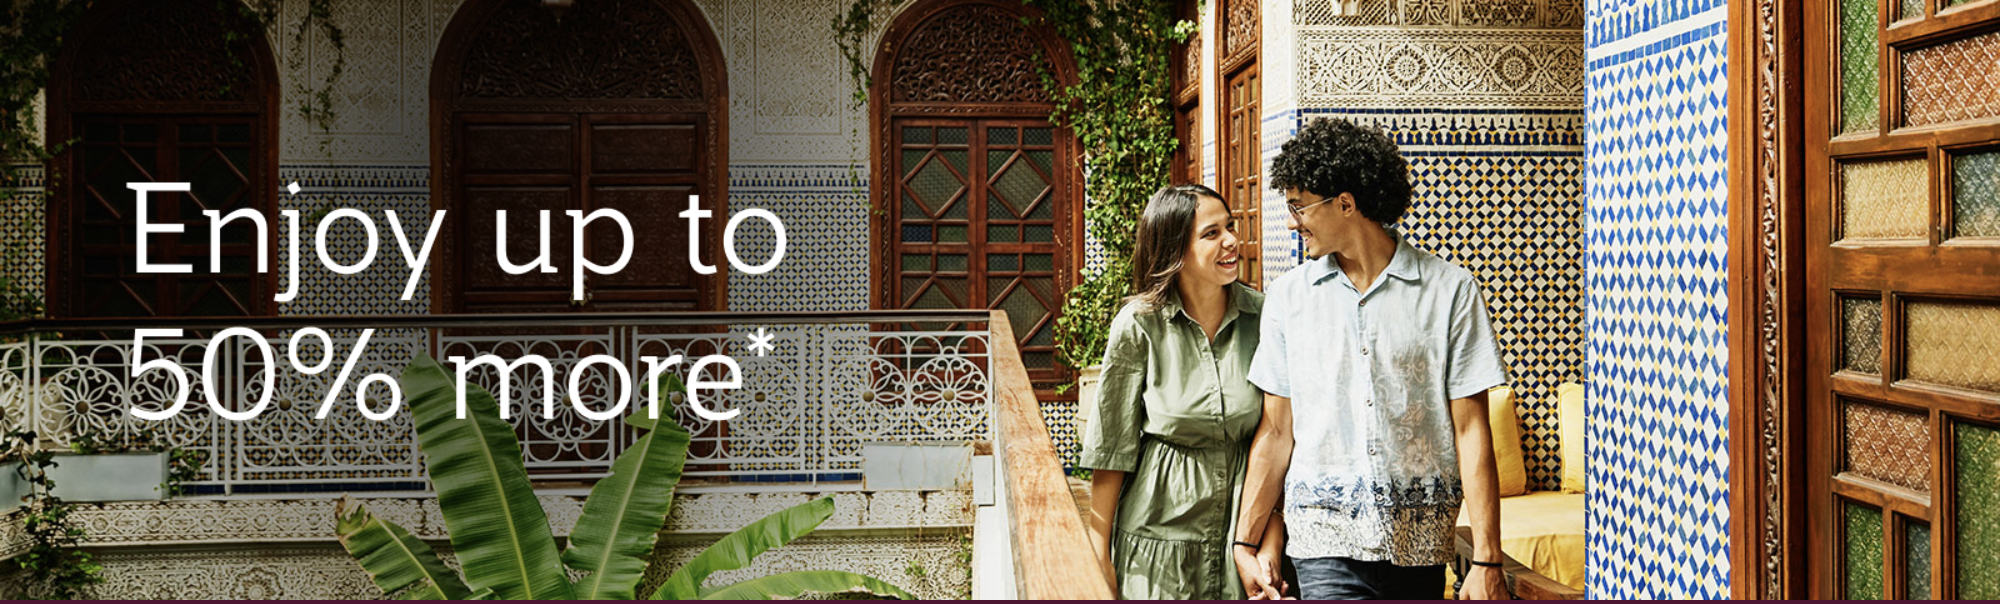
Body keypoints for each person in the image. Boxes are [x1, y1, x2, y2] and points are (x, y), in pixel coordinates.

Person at [1230, 118, 1509, 600]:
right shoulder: (1288, 298)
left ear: (1345, 203)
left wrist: (1487, 558)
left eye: (1299, 207)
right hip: (1322, 545)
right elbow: (1277, 431)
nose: (1292, 222)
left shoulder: (1449, 291)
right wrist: (1245, 541)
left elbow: (1471, 429)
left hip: (1420, 545)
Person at [1078, 184, 1284, 599]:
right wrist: (1098, 553)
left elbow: (1282, 437)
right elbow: (1112, 448)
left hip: (1241, 539)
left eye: (1230, 226)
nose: (1231, 241)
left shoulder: (1265, 318)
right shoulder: (1139, 325)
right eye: (1212, 234)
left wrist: (1271, 539)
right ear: (1176, 248)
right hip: (1156, 540)